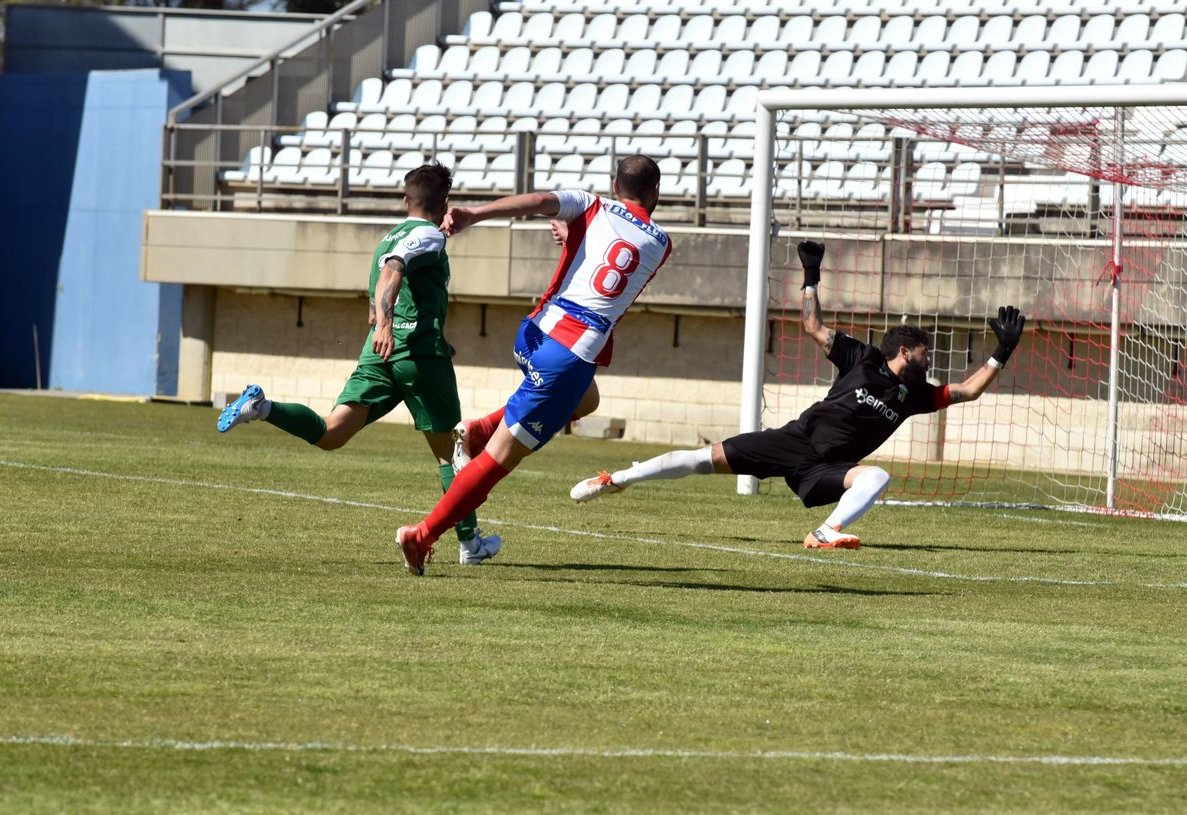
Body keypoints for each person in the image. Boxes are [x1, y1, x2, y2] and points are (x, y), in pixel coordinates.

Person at [568, 240, 1025, 549]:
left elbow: (966, 391)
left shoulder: (913, 394)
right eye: (925, 352)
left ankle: (826, 534)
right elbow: (813, 326)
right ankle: (617, 479)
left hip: (827, 470)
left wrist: (1000, 353)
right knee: (700, 459)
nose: (931, 359)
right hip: (793, 441)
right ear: (905, 350)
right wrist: (810, 274)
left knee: (877, 477)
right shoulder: (861, 358)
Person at [394, 155, 672, 575]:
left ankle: (480, 429)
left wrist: (474, 214)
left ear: (615, 185)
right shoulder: (661, 243)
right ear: (656, 194)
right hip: (569, 353)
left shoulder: (590, 205)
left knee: (587, 400)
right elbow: (617, 256)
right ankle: (423, 535)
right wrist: (575, 234)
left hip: (535, 333)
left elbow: (538, 200)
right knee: (495, 463)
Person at [214, 161, 500, 565]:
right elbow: (394, 272)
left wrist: (384, 323)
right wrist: (388, 323)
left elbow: (387, 281)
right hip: (416, 357)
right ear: (445, 203)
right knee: (453, 452)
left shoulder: (387, 237)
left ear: (405, 199)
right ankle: (470, 544)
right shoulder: (428, 235)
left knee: (331, 434)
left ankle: (262, 408)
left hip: (379, 355)